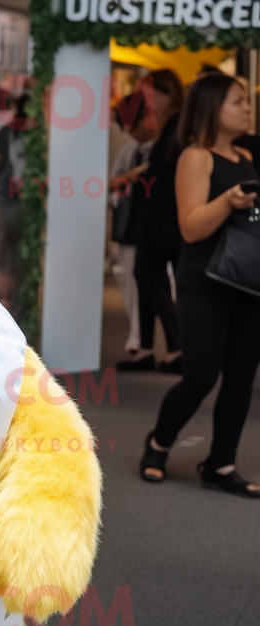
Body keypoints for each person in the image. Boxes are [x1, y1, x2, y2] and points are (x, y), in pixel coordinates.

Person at [140, 74, 260, 497]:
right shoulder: (197, 156)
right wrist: (228, 201)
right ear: (212, 108)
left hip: (247, 283)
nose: (247, 107)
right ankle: (158, 444)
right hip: (204, 281)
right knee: (200, 376)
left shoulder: (246, 155)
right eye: (238, 101)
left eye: (247, 102)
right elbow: (191, 229)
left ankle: (221, 464)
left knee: (242, 378)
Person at [118, 69, 185, 373]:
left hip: (164, 223)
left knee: (148, 279)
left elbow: (169, 180)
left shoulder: (177, 130)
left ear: (168, 95)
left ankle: (175, 346)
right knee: (146, 281)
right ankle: (149, 348)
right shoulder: (171, 129)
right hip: (159, 221)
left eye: (151, 93)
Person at [109, 92, 155, 355]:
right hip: (129, 226)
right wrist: (129, 178)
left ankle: (141, 338)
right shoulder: (130, 150)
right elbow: (113, 184)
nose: (131, 132)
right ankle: (137, 336)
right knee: (129, 282)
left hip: (154, 228)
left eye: (133, 126)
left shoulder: (166, 149)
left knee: (147, 285)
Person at [0, 93, 34, 323]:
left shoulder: (6, 132)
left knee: (4, 262)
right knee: (25, 261)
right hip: (30, 208)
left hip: (6, 205)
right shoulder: (38, 134)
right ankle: (23, 313)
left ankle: (4, 313)